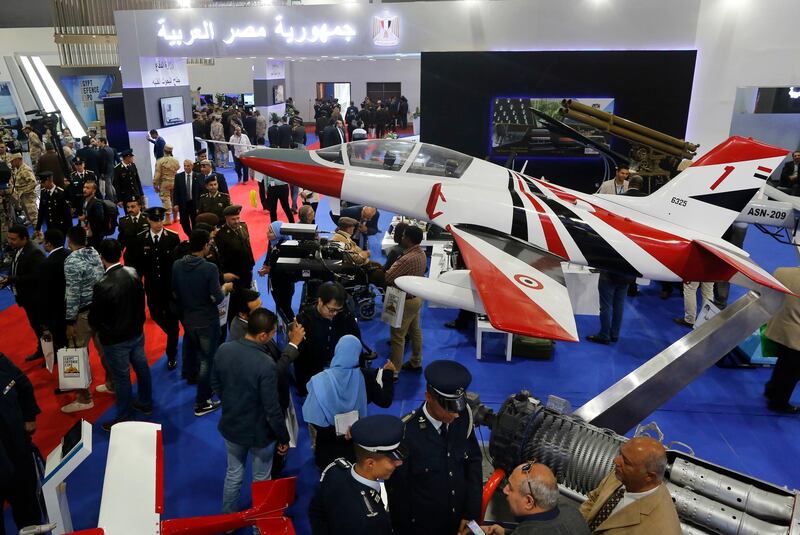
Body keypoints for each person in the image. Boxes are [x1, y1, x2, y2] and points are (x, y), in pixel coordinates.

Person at [211, 308, 292, 516]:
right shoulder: (266, 364)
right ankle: (260, 525)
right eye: (273, 333)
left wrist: (230, 403)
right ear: (263, 335)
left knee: (233, 474)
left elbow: (215, 384)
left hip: (232, 426)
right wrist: (283, 437)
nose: (274, 337)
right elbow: (272, 408)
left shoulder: (224, 350)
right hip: (260, 434)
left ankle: (228, 522)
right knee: (261, 480)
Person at [387, 360, 482, 534]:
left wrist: (471, 512)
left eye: (458, 406)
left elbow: (473, 463)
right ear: (428, 397)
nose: (455, 413)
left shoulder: (463, 416)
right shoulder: (406, 433)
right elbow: (398, 493)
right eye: (448, 407)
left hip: (460, 522)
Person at [302, 335, 395, 469]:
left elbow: (313, 420)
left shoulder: (319, 381)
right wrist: (388, 374)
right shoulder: (365, 376)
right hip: (356, 448)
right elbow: (385, 401)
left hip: (327, 449)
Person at [90, 239, 152, 431]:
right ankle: (145, 402)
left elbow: (96, 317)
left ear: (101, 258)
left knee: (121, 377)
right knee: (142, 367)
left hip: (115, 339)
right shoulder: (132, 272)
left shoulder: (103, 284)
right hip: (136, 332)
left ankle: (125, 416)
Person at [309, 414, 406, 535]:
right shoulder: (369, 522)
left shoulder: (335, 470)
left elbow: (316, 513)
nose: (399, 463)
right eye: (392, 460)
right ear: (370, 463)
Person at [171, 229, 233, 415]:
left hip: (188, 319)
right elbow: (219, 297)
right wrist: (225, 287)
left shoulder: (176, 265)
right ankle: (202, 402)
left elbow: (175, 291)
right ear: (205, 245)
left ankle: (197, 381)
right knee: (207, 360)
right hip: (207, 320)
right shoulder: (209, 268)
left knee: (195, 351)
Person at [580, 437, 681, 534]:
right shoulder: (622, 475)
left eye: (626, 462)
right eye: (621, 454)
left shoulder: (661, 529)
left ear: (649, 476)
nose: (616, 460)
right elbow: (594, 499)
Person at [61, 225, 106, 413]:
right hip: (100, 309)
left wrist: (69, 321)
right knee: (104, 349)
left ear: (69, 240)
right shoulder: (94, 252)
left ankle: (84, 397)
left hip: (83, 314)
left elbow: (73, 293)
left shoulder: (71, 260)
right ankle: (112, 384)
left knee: (75, 355)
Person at [131, 207, 181, 369]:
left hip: (170, 287)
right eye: (155, 220)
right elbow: (137, 265)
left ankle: (171, 354)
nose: (159, 223)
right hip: (152, 287)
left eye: (160, 220)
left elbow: (178, 263)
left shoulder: (172, 238)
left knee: (173, 323)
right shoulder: (140, 239)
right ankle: (172, 334)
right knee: (155, 314)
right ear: (149, 220)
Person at [481, 462, 590, 535]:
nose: (505, 490)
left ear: (529, 501)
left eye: (510, 487)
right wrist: (506, 532)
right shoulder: (572, 512)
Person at [294, 281, 362, 397]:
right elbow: (300, 357)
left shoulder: (345, 316)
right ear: (320, 301)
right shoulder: (305, 319)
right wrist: (303, 386)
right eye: (331, 309)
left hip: (339, 373)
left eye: (338, 310)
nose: (334, 313)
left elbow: (355, 342)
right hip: (314, 374)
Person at [0, 353, 44, 534]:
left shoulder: (1, 362)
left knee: (29, 511)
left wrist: (29, 416)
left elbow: (22, 383)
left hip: (18, 451)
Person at [385, 225, 426, 374]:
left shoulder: (406, 259)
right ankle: (416, 361)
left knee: (397, 336)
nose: (401, 238)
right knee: (415, 331)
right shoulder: (421, 254)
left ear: (408, 239)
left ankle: (394, 371)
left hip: (403, 299)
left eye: (403, 236)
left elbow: (388, 276)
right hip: (416, 297)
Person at [0, 225, 45, 362]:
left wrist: (13, 279)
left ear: (24, 238)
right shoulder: (20, 249)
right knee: (36, 325)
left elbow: (37, 277)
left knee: (41, 326)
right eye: (9, 238)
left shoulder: (34, 252)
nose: (9, 241)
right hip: (26, 297)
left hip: (35, 298)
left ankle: (49, 352)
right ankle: (43, 349)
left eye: (13, 239)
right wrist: (8, 281)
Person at [763, 267, 800, 413]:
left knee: (784, 362)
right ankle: (779, 402)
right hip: (796, 334)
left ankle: (771, 389)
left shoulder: (781, 272)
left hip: (778, 326)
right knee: (793, 371)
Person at [38, 229, 70, 355]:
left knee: (62, 341)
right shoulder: (70, 254)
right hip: (74, 306)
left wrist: (43, 320)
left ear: (49, 244)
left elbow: (45, 294)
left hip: (57, 311)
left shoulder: (46, 265)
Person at [586, 270, 636, 345]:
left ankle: (604, 335)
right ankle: (614, 334)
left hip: (608, 275)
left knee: (606, 306)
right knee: (619, 305)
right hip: (626, 276)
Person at [215, 204, 256, 290]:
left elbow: (248, 247)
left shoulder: (243, 226)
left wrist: (251, 265)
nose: (237, 221)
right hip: (234, 273)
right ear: (226, 219)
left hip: (247, 269)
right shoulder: (221, 235)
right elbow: (222, 257)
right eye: (233, 219)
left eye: (238, 218)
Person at [35, 171, 71, 237]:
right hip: (50, 226)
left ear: (50, 180)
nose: (42, 185)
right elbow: (41, 211)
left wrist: (69, 229)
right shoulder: (43, 192)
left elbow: (67, 213)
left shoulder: (60, 193)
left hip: (61, 226)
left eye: (43, 182)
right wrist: (38, 227)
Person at [117, 196, 150, 266]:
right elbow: (121, 239)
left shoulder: (148, 219)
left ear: (139, 206)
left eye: (133, 207)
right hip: (130, 257)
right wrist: (118, 252)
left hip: (146, 256)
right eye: (128, 207)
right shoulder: (123, 221)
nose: (129, 209)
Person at [173, 159, 202, 237]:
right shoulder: (178, 177)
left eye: (188, 166)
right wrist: (175, 204)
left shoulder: (198, 176)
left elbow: (201, 191)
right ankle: (190, 236)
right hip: (183, 204)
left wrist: (200, 205)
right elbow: (175, 191)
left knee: (195, 221)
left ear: (192, 166)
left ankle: (194, 237)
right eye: (184, 166)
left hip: (194, 204)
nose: (186, 167)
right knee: (184, 222)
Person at [153, 144, 180, 224]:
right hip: (175, 182)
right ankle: (176, 217)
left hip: (165, 183)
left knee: (166, 199)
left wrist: (155, 184)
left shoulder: (160, 161)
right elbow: (178, 168)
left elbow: (157, 175)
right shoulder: (176, 160)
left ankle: (168, 219)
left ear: (163, 150)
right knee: (174, 199)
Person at [9, 152, 38, 228]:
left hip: (28, 197)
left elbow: (33, 183)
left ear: (18, 159)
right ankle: (36, 235)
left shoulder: (25, 169)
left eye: (12, 161)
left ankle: (40, 237)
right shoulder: (17, 170)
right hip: (23, 198)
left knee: (34, 217)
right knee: (29, 217)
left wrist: (23, 192)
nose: (11, 163)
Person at [78, 179, 105, 249]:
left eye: (88, 188)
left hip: (95, 235)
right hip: (85, 232)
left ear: (94, 191)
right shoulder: (83, 200)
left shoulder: (97, 203)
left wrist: (86, 217)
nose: (84, 190)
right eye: (84, 187)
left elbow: (100, 217)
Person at [97, 137, 117, 202]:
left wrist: (102, 172)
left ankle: (112, 201)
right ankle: (115, 198)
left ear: (103, 142)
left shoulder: (103, 150)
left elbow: (103, 162)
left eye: (99, 142)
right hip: (112, 169)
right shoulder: (111, 149)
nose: (97, 143)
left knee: (108, 187)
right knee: (110, 185)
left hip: (106, 171)